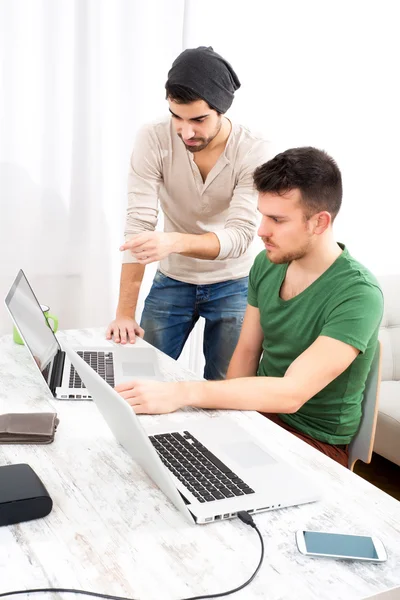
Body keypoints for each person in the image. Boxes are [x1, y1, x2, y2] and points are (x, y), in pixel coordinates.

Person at [115, 147, 384, 467]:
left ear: (319, 223)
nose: (261, 231)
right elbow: (245, 353)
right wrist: (226, 422)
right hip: (257, 415)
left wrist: (183, 393)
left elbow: (291, 394)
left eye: (277, 219)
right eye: (262, 215)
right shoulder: (267, 264)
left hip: (313, 442)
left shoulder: (359, 294)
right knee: (152, 450)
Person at [106, 46, 272, 380]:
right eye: (176, 117)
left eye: (198, 119)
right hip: (172, 278)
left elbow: (240, 237)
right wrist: (124, 313)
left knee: (226, 389)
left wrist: (173, 242)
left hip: (234, 282)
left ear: (221, 110)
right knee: (139, 379)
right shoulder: (152, 138)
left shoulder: (252, 149)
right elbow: (139, 223)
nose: (186, 131)